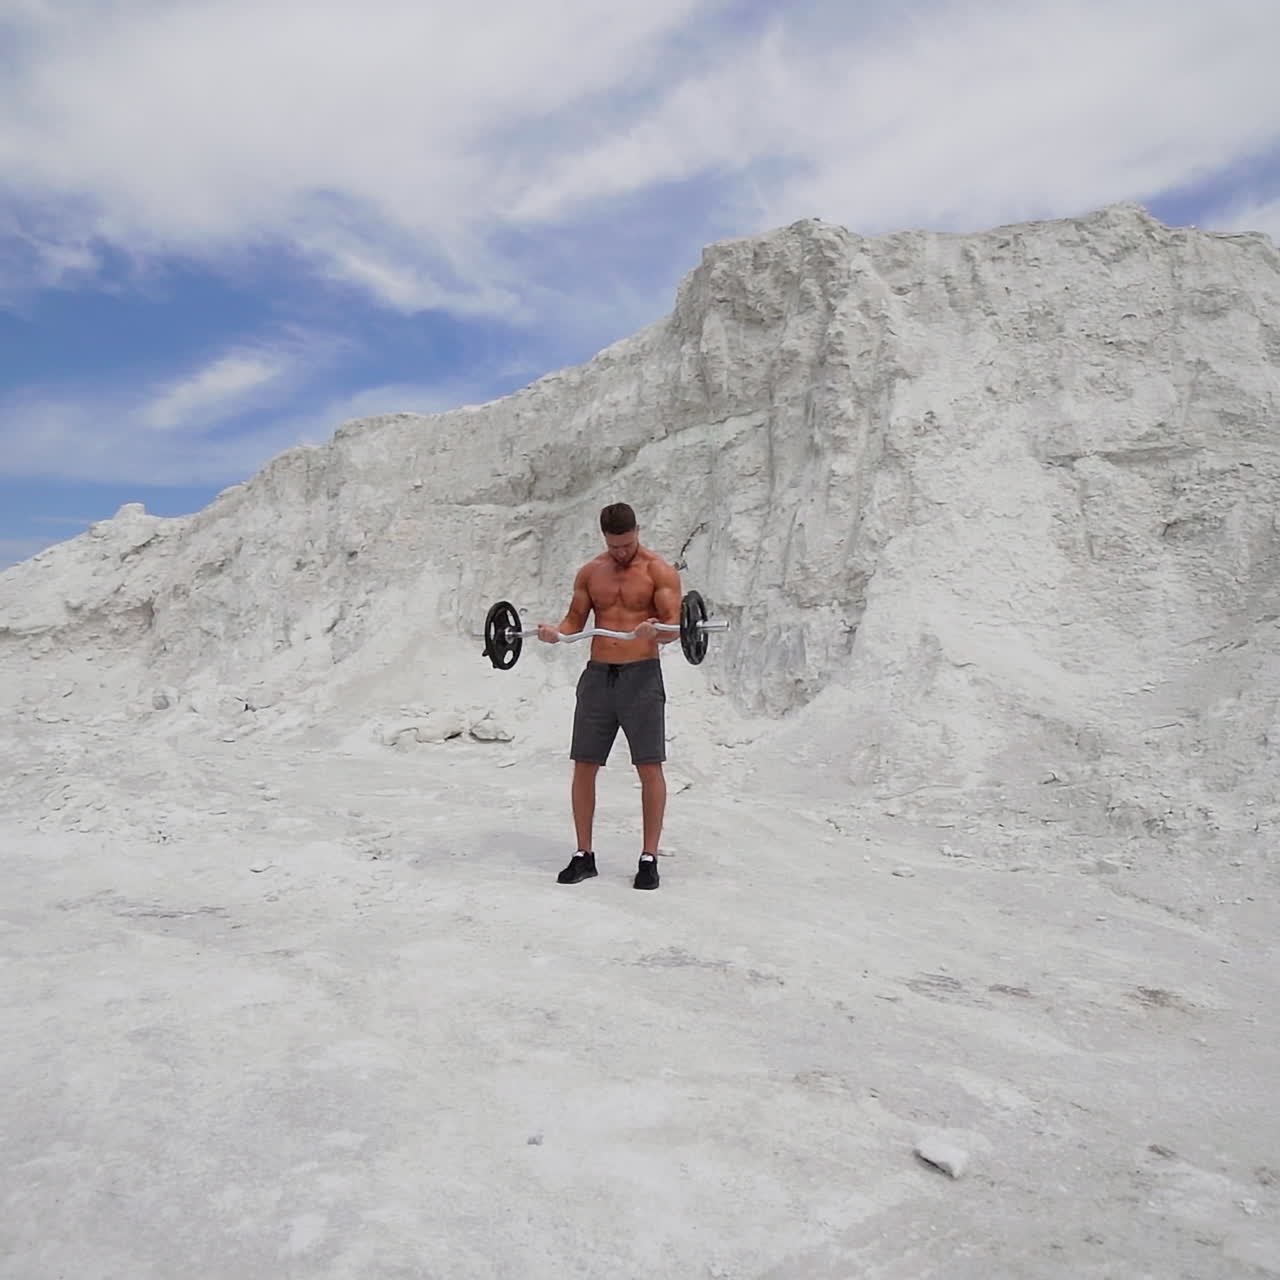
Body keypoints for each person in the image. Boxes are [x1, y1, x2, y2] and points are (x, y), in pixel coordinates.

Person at [537, 503, 682, 890]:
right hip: (598, 677)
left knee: (649, 767)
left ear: (637, 531)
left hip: (641, 677)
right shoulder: (591, 572)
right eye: (615, 546)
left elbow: (675, 626)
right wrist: (556, 632)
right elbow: (574, 620)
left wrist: (657, 631)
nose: (622, 552)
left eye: (628, 544)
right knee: (584, 764)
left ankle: (648, 858)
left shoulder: (658, 570)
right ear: (605, 538)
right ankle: (584, 855)